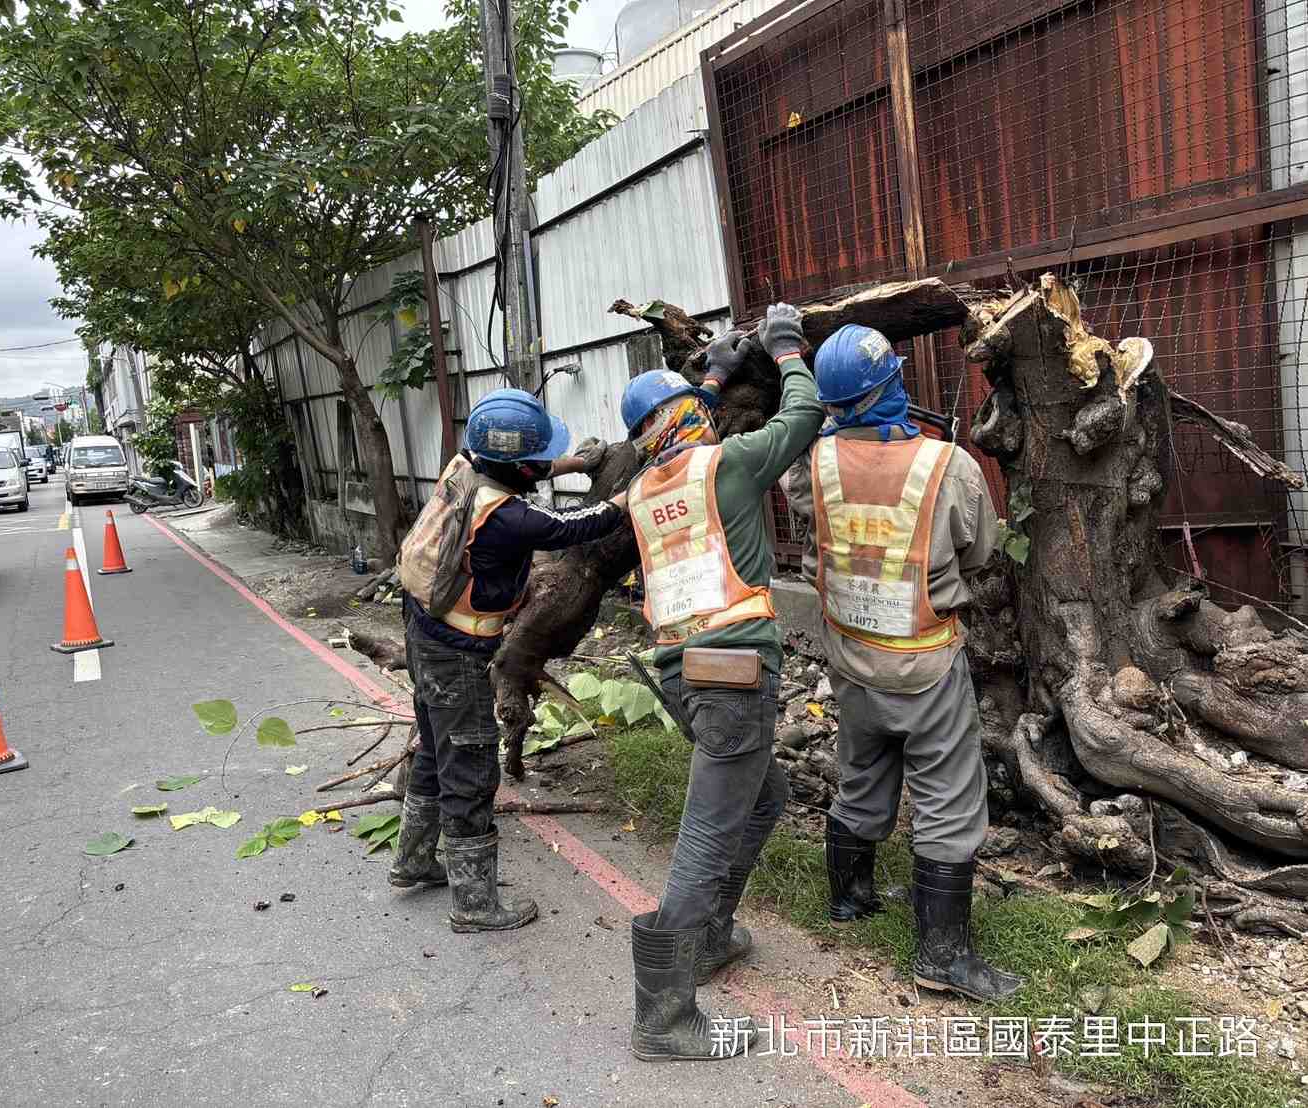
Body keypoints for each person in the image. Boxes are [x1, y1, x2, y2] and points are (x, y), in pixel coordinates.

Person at [784, 323, 1022, 1003]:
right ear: (892, 384)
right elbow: (979, 551)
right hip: (923, 660)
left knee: (861, 772)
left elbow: (811, 536)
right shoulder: (946, 465)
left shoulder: (813, 462)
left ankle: (848, 898)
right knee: (948, 800)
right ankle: (941, 956)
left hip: (850, 656)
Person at [619, 303, 822, 1062]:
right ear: (691, 419)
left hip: (681, 675)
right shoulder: (728, 463)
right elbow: (803, 414)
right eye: (699, 406)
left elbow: (671, 434)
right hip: (734, 674)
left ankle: (706, 938)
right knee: (706, 833)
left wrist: (710, 374)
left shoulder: (643, 488)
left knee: (765, 796)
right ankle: (663, 1017)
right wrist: (785, 347)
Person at [393, 388, 626, 934]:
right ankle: (473, 904)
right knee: (472, 768)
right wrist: (629, 496)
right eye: (540, 459)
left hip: (423, 632)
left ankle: (413, 860)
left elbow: (513, 469)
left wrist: (570, 462)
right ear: (519, 467)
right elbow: (575, 524)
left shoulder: (463, 467)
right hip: (457, 653)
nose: (546, 465)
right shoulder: (510, 517)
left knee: (435, 748)